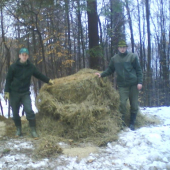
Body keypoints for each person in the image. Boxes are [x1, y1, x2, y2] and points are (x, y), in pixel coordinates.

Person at [4, 48, 54, 138]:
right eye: (22, 54)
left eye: (26, 55)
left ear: (28, 56)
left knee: (29, 111)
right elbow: (8, 80)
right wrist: (6, 91)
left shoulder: (30, 67)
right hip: (14, 93)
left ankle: (33, 130)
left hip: (25, 93)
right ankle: (18, 130)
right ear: (19, 56)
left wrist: (48, 80)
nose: (24, 56)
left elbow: (38, 74)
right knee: (15, 113)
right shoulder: (13, 67)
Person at [95, 40, 143, 130]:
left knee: (134, 104)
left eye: (124, 47)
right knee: (122, 103)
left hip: (133, 84)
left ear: (126, 48)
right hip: (122, 85)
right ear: (118, 48)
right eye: (121, 47)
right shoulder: (114, 59)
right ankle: (122, 123)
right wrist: (101, 74)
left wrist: (140, 82)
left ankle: (132, 123)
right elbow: (110, 69)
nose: (122, 49)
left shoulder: (132, 57)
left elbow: (139, 70)